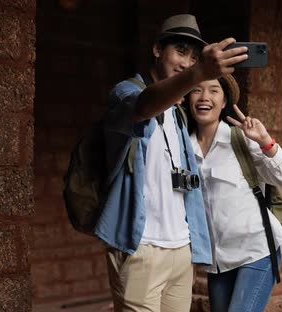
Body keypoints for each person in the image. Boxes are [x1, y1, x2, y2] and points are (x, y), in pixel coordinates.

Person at [93, 14, 249, 311]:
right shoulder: (127, 92)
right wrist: (198, 73)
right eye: (180, 51)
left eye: (193, 59)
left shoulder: (178, 116)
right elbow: (141, 107)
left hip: (180, 250)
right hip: (141, 245)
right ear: (157, 50)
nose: (185, 63)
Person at [184, 74, 282, 312]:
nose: (204, 97)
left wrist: (265, 140)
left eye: (214, 90)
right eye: (196, 90)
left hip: (256, 249)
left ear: (224, 101)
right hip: (218, 261)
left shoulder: (240, 140)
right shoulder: (183, 147)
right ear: (187, 98)